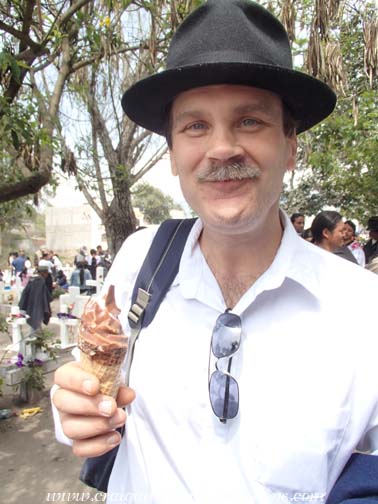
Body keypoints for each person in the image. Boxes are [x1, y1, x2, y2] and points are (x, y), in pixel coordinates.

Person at [51, 2, 378, 503]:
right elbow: (85, 398)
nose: (221, 148)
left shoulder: (363, 310)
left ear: (291, 146)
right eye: (195, 126)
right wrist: (71, 408)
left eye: (249, 121)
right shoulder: (141, 260)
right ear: (174, 156)